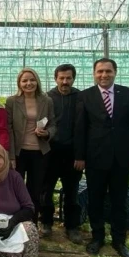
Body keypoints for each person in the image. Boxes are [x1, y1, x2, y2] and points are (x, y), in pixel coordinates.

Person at [74, 58, 129, 257]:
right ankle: (97, 237)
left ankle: (119, 240)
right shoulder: (86, 96)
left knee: (119, 200)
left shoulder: (128, 94)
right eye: (100, 72)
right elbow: (80, 128)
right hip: (95, 157)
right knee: (95, 198)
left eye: (108, 71)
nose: (104, 75)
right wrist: (79, 156)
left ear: (115, 72)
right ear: (94, 74)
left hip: (122, 157)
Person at [5, 68, 55, 227]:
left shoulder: (46, 101)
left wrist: (47, 133)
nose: (29, 83)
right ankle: (15, 222)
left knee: (35, 189)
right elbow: (9, 129)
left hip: (40, 152)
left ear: (37, 81)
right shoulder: (12, 101)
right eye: (24, 81)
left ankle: (31, 224)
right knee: (16, 189)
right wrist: (11, 156)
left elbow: (53, 124)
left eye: (32, 80)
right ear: (19, 83)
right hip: (19, 152)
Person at [42, 64, 84, 244]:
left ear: (73, 79)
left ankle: (71, 226)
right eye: (62, 78)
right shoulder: (47, 98)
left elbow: (85, 128)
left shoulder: (81, 98)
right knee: (46, 190)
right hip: (50, 152)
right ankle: (46, 223)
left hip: (73, 153)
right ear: (56, 79)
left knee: (71, 192)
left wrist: (81, 155)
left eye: (68, 78)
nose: (65, 81)